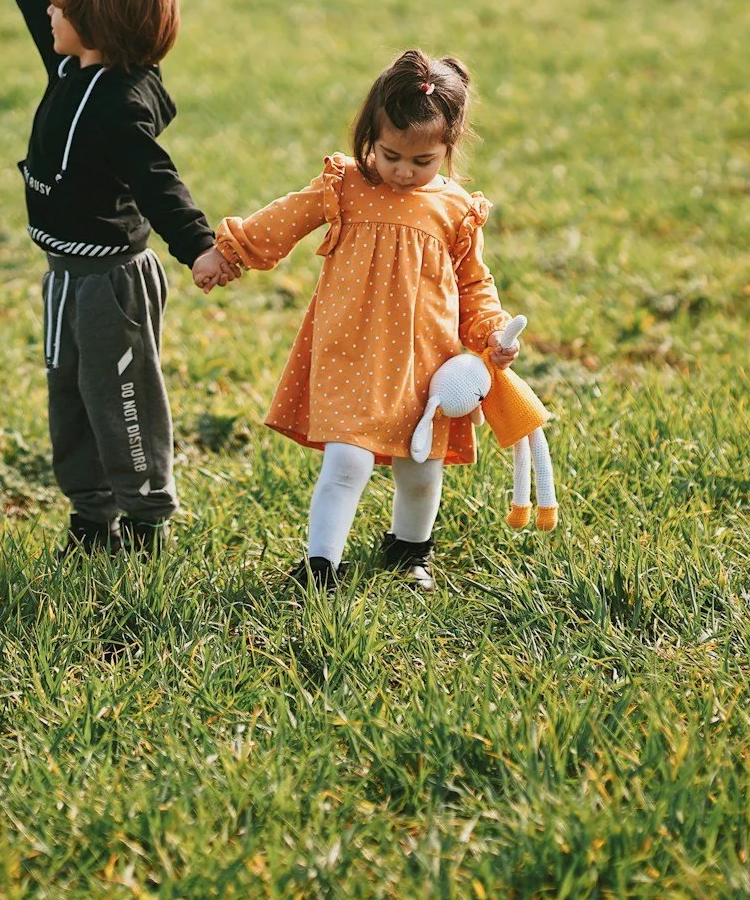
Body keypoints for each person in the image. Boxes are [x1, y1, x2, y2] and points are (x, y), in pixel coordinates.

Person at [0, 0, 229, 555]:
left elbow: (161, 184)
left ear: (95, 24)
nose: (50, 9)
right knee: (68, 395)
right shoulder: (70, 63)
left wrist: (200, 248)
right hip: (64, 274)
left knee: (121, 396)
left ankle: (145, 518)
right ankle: (91, 516)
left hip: (111, 282)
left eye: (63, 8)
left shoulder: (123, 108)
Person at [198, 50, 549, 590]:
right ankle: (320, 566)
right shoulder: (345, 186)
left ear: (448, 150)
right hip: (351, 353)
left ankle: (410, 551)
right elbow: (283, 219)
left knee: (420, 467)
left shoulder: (457, 210)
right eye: (390, 156)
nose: (404, 172)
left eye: (422, 161)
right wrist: (232, 252)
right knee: (347, 462)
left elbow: (474, 283)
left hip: (424, 363)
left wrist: (491, 336)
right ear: (370, 134)